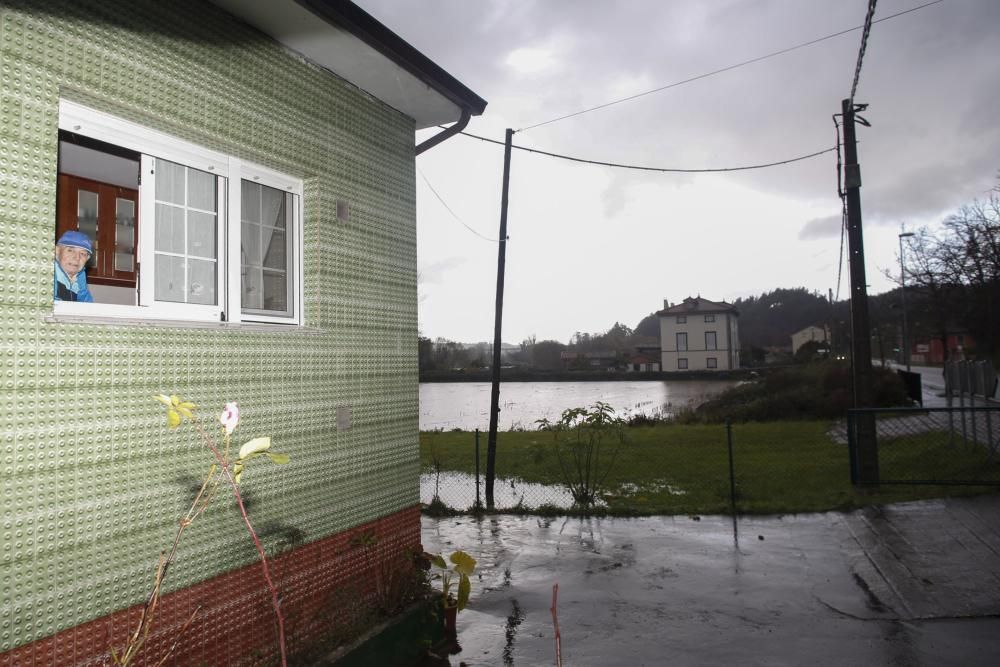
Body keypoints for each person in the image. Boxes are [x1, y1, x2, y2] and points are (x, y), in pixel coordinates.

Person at [53, 230, 94, 302]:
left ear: (87, 259)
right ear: (57, 251)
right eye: (70, 250)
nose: (77, 258)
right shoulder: (49, 270)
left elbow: (87, 305)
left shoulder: (80, 275)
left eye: (83, 254)